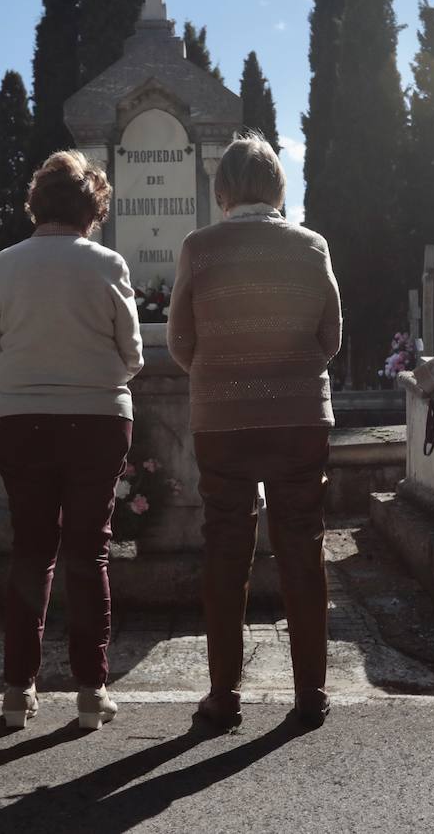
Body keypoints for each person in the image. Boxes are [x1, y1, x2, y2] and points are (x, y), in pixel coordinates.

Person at [167, 132, 342, 731]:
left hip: (222, 422)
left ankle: (224, 697)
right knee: (303, 548)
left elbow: (180, 339)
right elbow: (331, 336)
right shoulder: (312, 246)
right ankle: (311, 695)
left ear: (221, 193)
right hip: (299, 419)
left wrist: (218, 376)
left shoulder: (199, 247)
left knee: (225, 550)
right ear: (278, 188)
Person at [0, 150, 144, 731]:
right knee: (88, 549)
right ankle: (91, 691)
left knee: (31, 550)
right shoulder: (107, 264)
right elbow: (133, 352)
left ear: (37, 202)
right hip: (96, 417)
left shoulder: (5, 265)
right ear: (92, 208)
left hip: (20, 417)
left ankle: (17, 691)